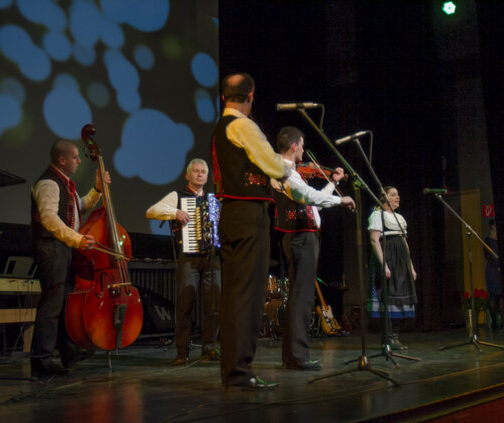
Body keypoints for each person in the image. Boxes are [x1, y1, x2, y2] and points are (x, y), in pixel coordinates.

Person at [211, 72, 289, 390]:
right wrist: (285, 169)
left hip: (232, 214)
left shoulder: (222, 127)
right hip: (247, 215)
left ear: (222, 98)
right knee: (248, 295)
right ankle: (238, 371)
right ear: (251, 96)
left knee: (236, 294)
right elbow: (274, 165)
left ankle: (234, 369)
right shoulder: (243, 125)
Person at [270, 126, 355, 371]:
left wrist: (333, 183)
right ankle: (297, 357)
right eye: (303, 145)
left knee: (301, 297)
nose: (304, 150)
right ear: (295, 146)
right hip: (301, 239)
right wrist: (341, 198)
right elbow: (307, 196)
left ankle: (294, 355)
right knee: (302, 298)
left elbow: (313, 199)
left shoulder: (289, 171)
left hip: (300, 237)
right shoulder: (285, 171)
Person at [30, 139, 110, 374]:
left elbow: (79, 206)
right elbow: (49, 219)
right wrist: (77, 239)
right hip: (51, 248)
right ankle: (41, 359)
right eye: (75, 157)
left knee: (63, 304)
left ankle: (67, 352)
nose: (78, 160)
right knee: (52, 305)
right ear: (62, 160)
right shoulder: (49, 183)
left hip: (62, 248)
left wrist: (97, 189)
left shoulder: (65, 185)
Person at [145, 158, 221, 365]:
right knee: (185, 305)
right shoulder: (178, 196)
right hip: (189, 258)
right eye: (195, 171)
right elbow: (151, 211)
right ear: (187, 175)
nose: (199, 174)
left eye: (203, 172)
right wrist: (175, 212)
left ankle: (210, 347)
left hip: (212, 258)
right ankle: (182, 351)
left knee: (213, 305)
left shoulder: (214, 200)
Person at [368, 186, 417, 350]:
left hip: (401, 260)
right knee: (388, 298)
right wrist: (383, 265)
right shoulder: (377, 215)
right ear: (384, 198)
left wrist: (411, 266)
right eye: (393, 195)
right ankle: (387, 338)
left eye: (398, 195)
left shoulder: (400, 218)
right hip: (387, 256)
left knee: (400, 299)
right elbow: (375, 241)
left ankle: (395, 337)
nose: (398, 197)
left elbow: (404, 242)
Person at [484, 219, 504, 329]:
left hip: (501, 269)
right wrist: (497, 266)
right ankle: (494, 321)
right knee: (494, 294)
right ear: (492, 226)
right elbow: (488, 256)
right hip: (493, 270)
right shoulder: (487, 240)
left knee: (502, 295)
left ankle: (503, 321)